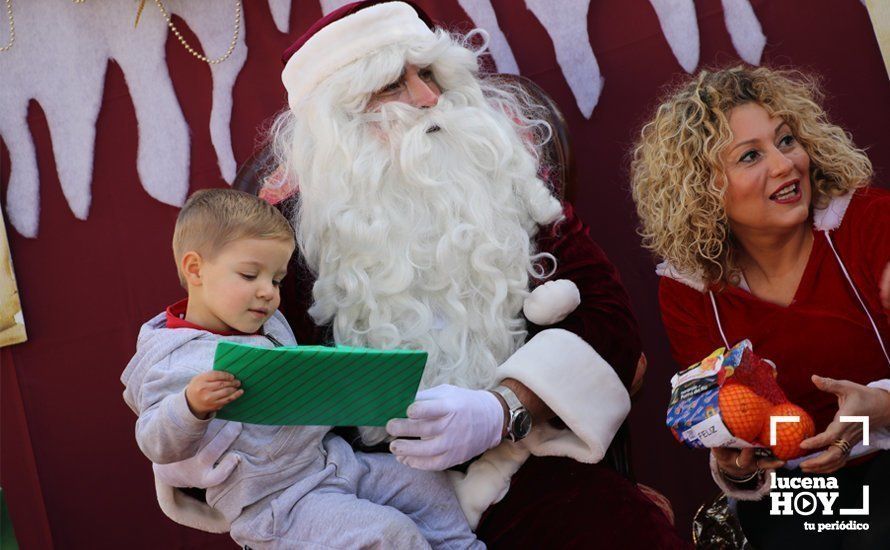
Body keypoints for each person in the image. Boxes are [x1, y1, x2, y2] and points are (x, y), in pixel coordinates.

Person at [155, 1, 688, 547]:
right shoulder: (286, 243)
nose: (429, 97)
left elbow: (610, 319)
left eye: (429, 73)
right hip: (365, 495)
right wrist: (194, 436)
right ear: (338, 125)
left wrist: (502, 406)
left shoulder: (507, 182)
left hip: (523, 463)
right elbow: (222, 364)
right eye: (392, 85)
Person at [121, 188, 482, 549]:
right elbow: (155, 442)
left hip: (331, 462)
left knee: (426, 484)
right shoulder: (172, 358)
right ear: (195, 269)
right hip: (276, 502)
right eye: (250, 276)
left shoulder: (269, 322)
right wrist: (190, 405)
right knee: (386, 533)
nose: (268, 292)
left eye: (276, 280)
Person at [630, 65, 890, 548]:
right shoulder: (689, 290)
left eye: (787, 140)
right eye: (751, 155)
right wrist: (738, 462)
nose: (785, 165)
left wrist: (874, 413)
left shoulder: (871, 224)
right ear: (704, 190)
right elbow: (731, 418)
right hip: (808, 488)